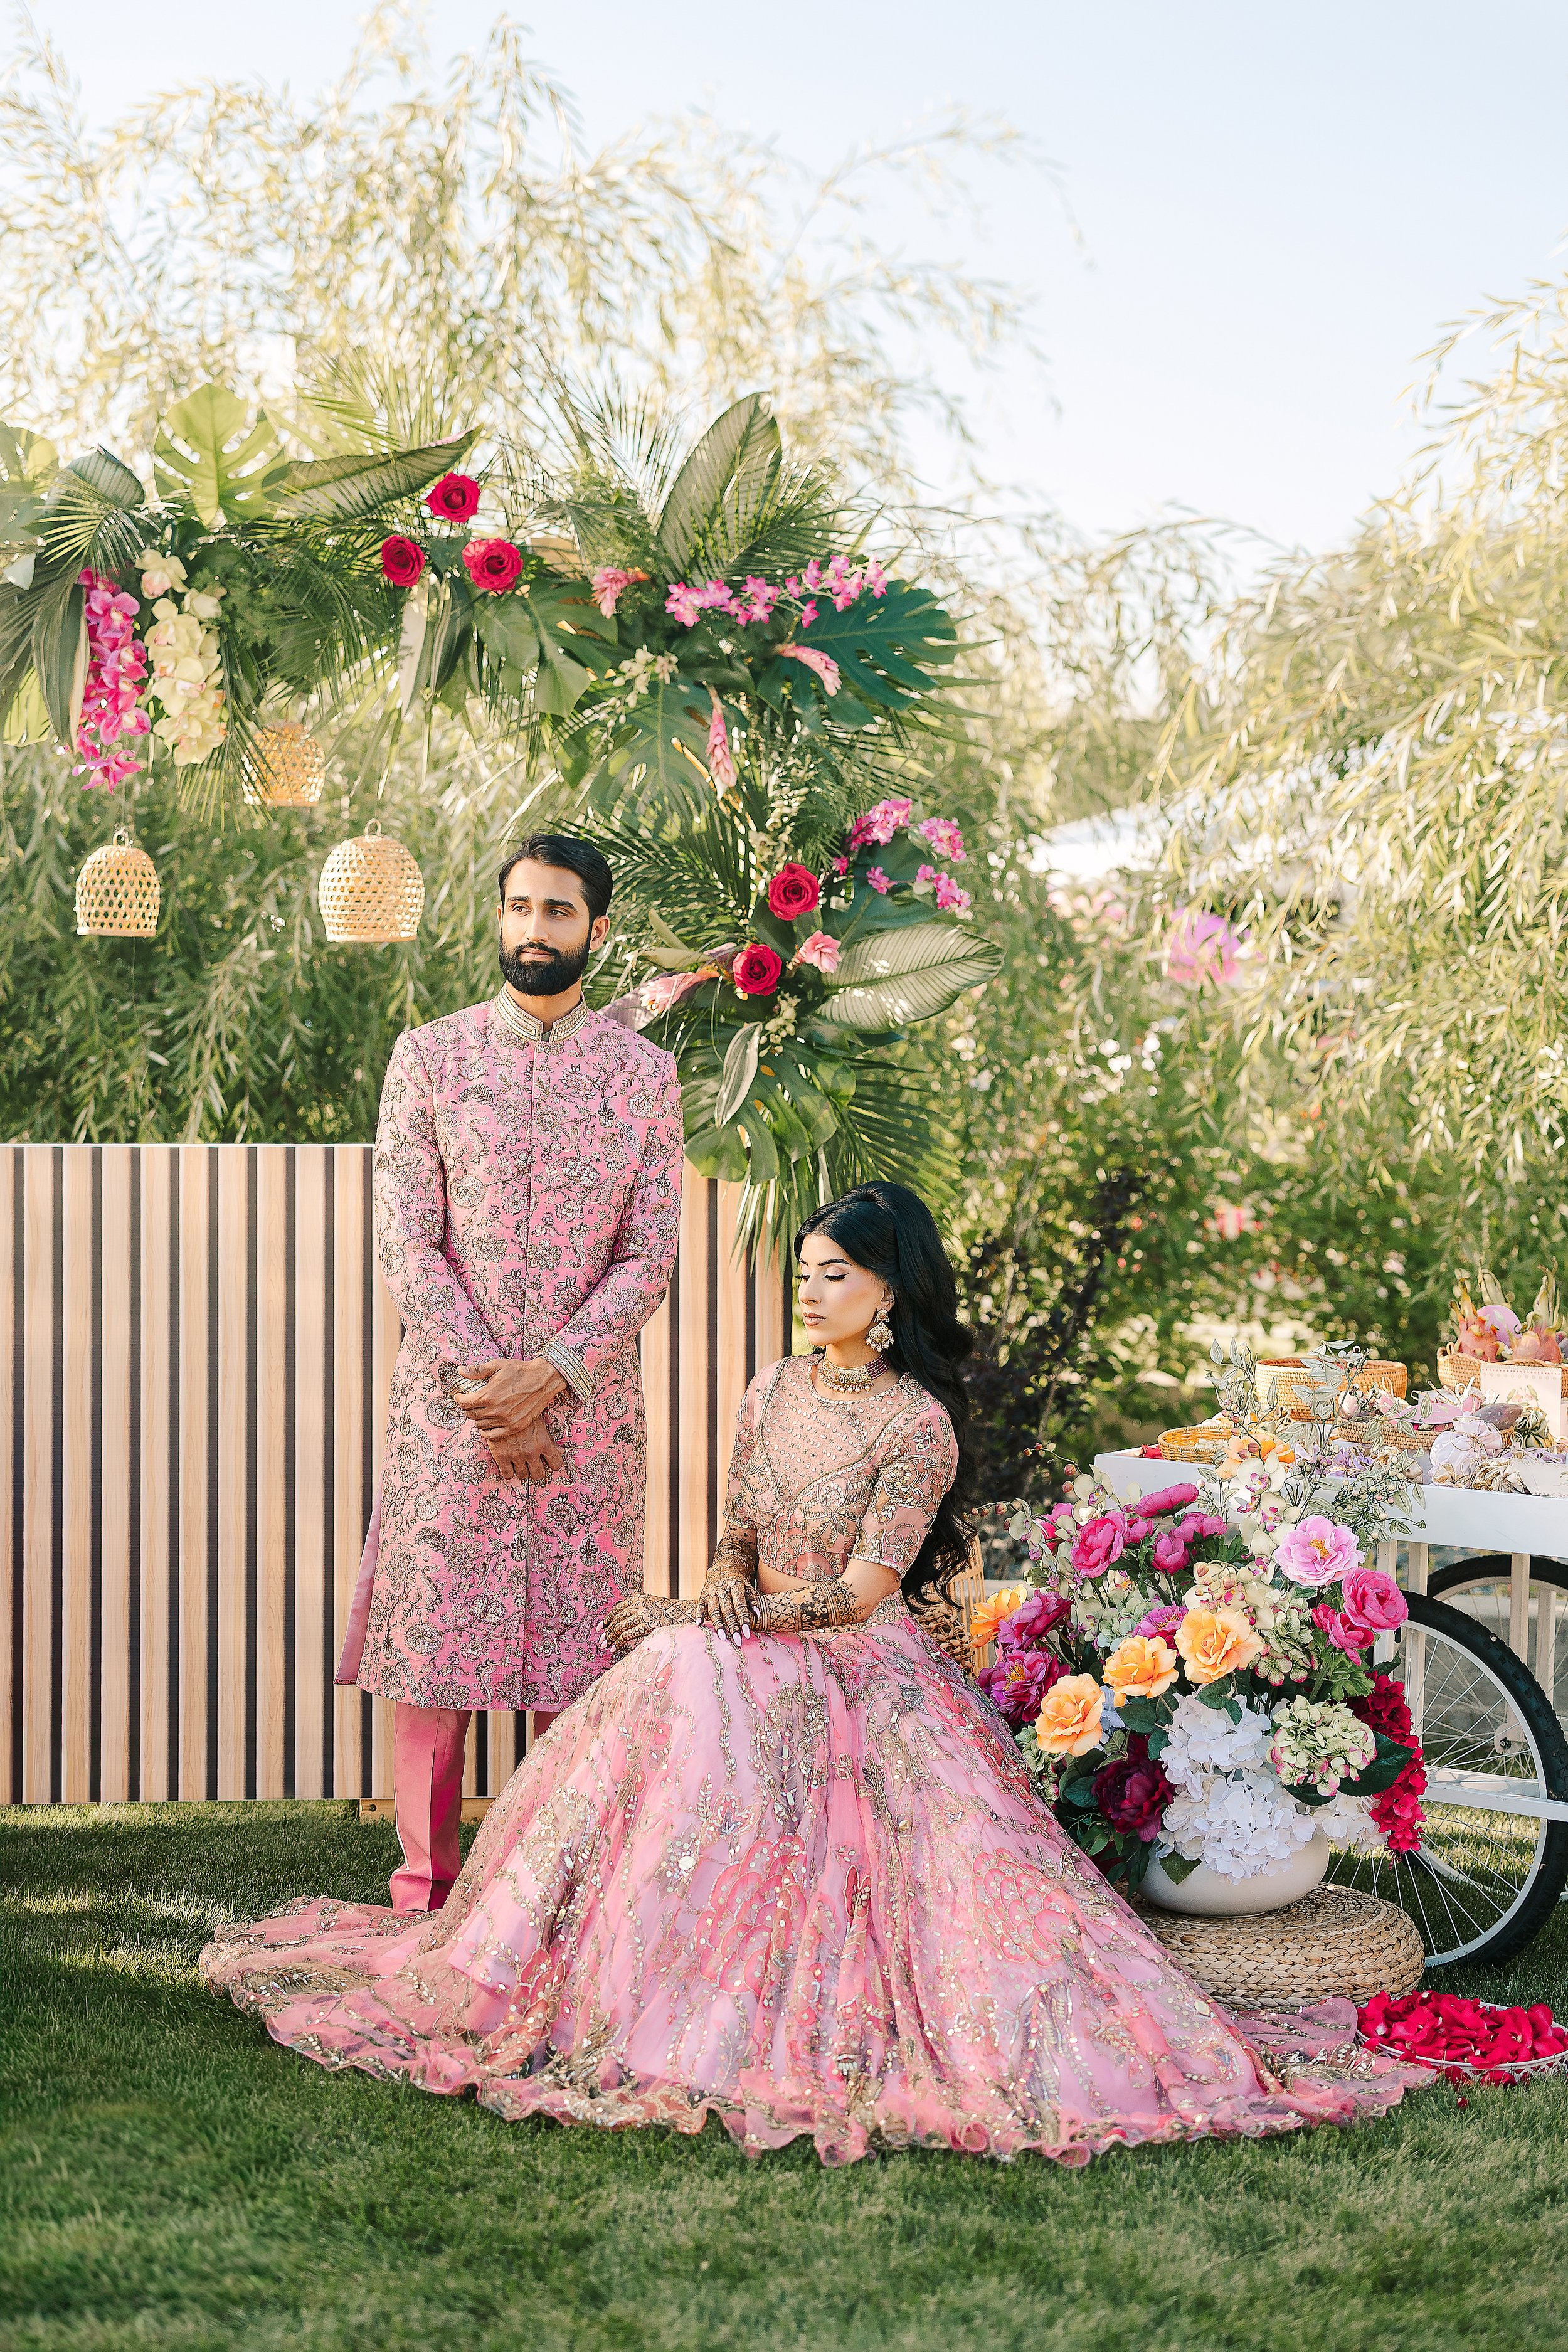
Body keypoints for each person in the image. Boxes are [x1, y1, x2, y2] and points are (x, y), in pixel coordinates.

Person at [203, 1183, 1421, 2164]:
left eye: (832, 1272)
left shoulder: (916, 1425)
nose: (809, 1288)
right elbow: (739, 1524)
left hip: (855, 1671)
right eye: (802, 1271)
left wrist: (704, 1610)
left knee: (691, 1668)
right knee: (674, 1685)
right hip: (752, 1637)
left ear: (888, 1289)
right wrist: (721, 1576)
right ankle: (576, 1980)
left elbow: (856, 1595)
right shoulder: (770, 1386)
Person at [334, 833, 684, 1912]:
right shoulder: (428, 1058)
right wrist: (497, 1392)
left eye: (560, 911)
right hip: (454, 1410)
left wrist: (558, 1377)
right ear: (499, 918)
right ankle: (421, 1891)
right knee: (438, 1650)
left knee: (576, 1659)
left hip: (586, 1416)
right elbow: (408, 1244)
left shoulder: (645, 1076)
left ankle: (553, 1898)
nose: (535, 928)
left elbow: (651, 1252)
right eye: (520, 907)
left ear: (599, 930)